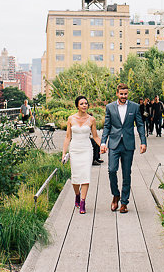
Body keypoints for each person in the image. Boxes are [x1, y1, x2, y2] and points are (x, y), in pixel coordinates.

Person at [100, 83, 147, 213]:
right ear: (117, 94)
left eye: (125, 94)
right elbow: (107, 126)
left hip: (128, 144)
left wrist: (143, 141)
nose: (123, 96)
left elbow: (140, 125)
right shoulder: (110, 107)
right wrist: (103, 142)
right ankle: (116, 195)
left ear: (128, 94)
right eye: (121, 94)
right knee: (111, 170)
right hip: (114, 144)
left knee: (127, 174)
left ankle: (124, 202)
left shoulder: (135, 107)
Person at [61, 96, 100, 214]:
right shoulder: (71, 119)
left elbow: (95, 136)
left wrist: (103, 145)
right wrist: (64, 153)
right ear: (77, 105)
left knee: (86, 176)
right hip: (74, 150)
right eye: (82, 103)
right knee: (75, 178)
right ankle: (77, 195)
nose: (84, 105)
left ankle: (82, 202)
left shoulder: (91, 119)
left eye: (86, 103)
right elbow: (68, 137)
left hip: (87, 150)